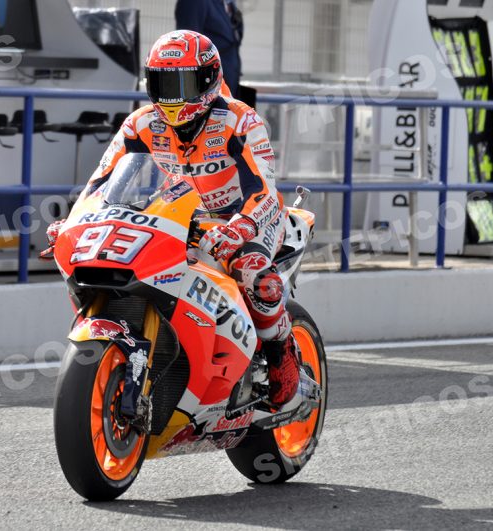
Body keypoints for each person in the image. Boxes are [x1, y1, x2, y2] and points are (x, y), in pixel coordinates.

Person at [44, 30, 316, 416]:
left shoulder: (240, 121)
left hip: (245, 217)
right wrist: (74, 222)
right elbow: (99, 183)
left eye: (181, 83)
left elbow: (266, 192)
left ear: (207, 80)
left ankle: (283, 371)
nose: (171, 96)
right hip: (179, 218)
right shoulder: (140, 124)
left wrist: (239, 228)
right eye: (162, 83)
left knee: (259, 277)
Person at [175, 0, 243, 95]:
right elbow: (189, 45)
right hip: (207, 91)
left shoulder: (228, 4)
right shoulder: (194, 2)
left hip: (229, 88)